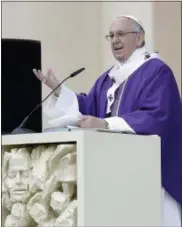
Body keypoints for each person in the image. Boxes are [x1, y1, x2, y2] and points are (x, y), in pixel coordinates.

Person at [33, 15, 181, 226]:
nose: (114, 40)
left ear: (138, 38)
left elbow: (158, 116)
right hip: (116, 173)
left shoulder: (156, 71)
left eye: (120, 34)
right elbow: (90, 108)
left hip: (153, 175)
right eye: (110, 35)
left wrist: (107, 124)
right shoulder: (108, 78)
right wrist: (59, 90)